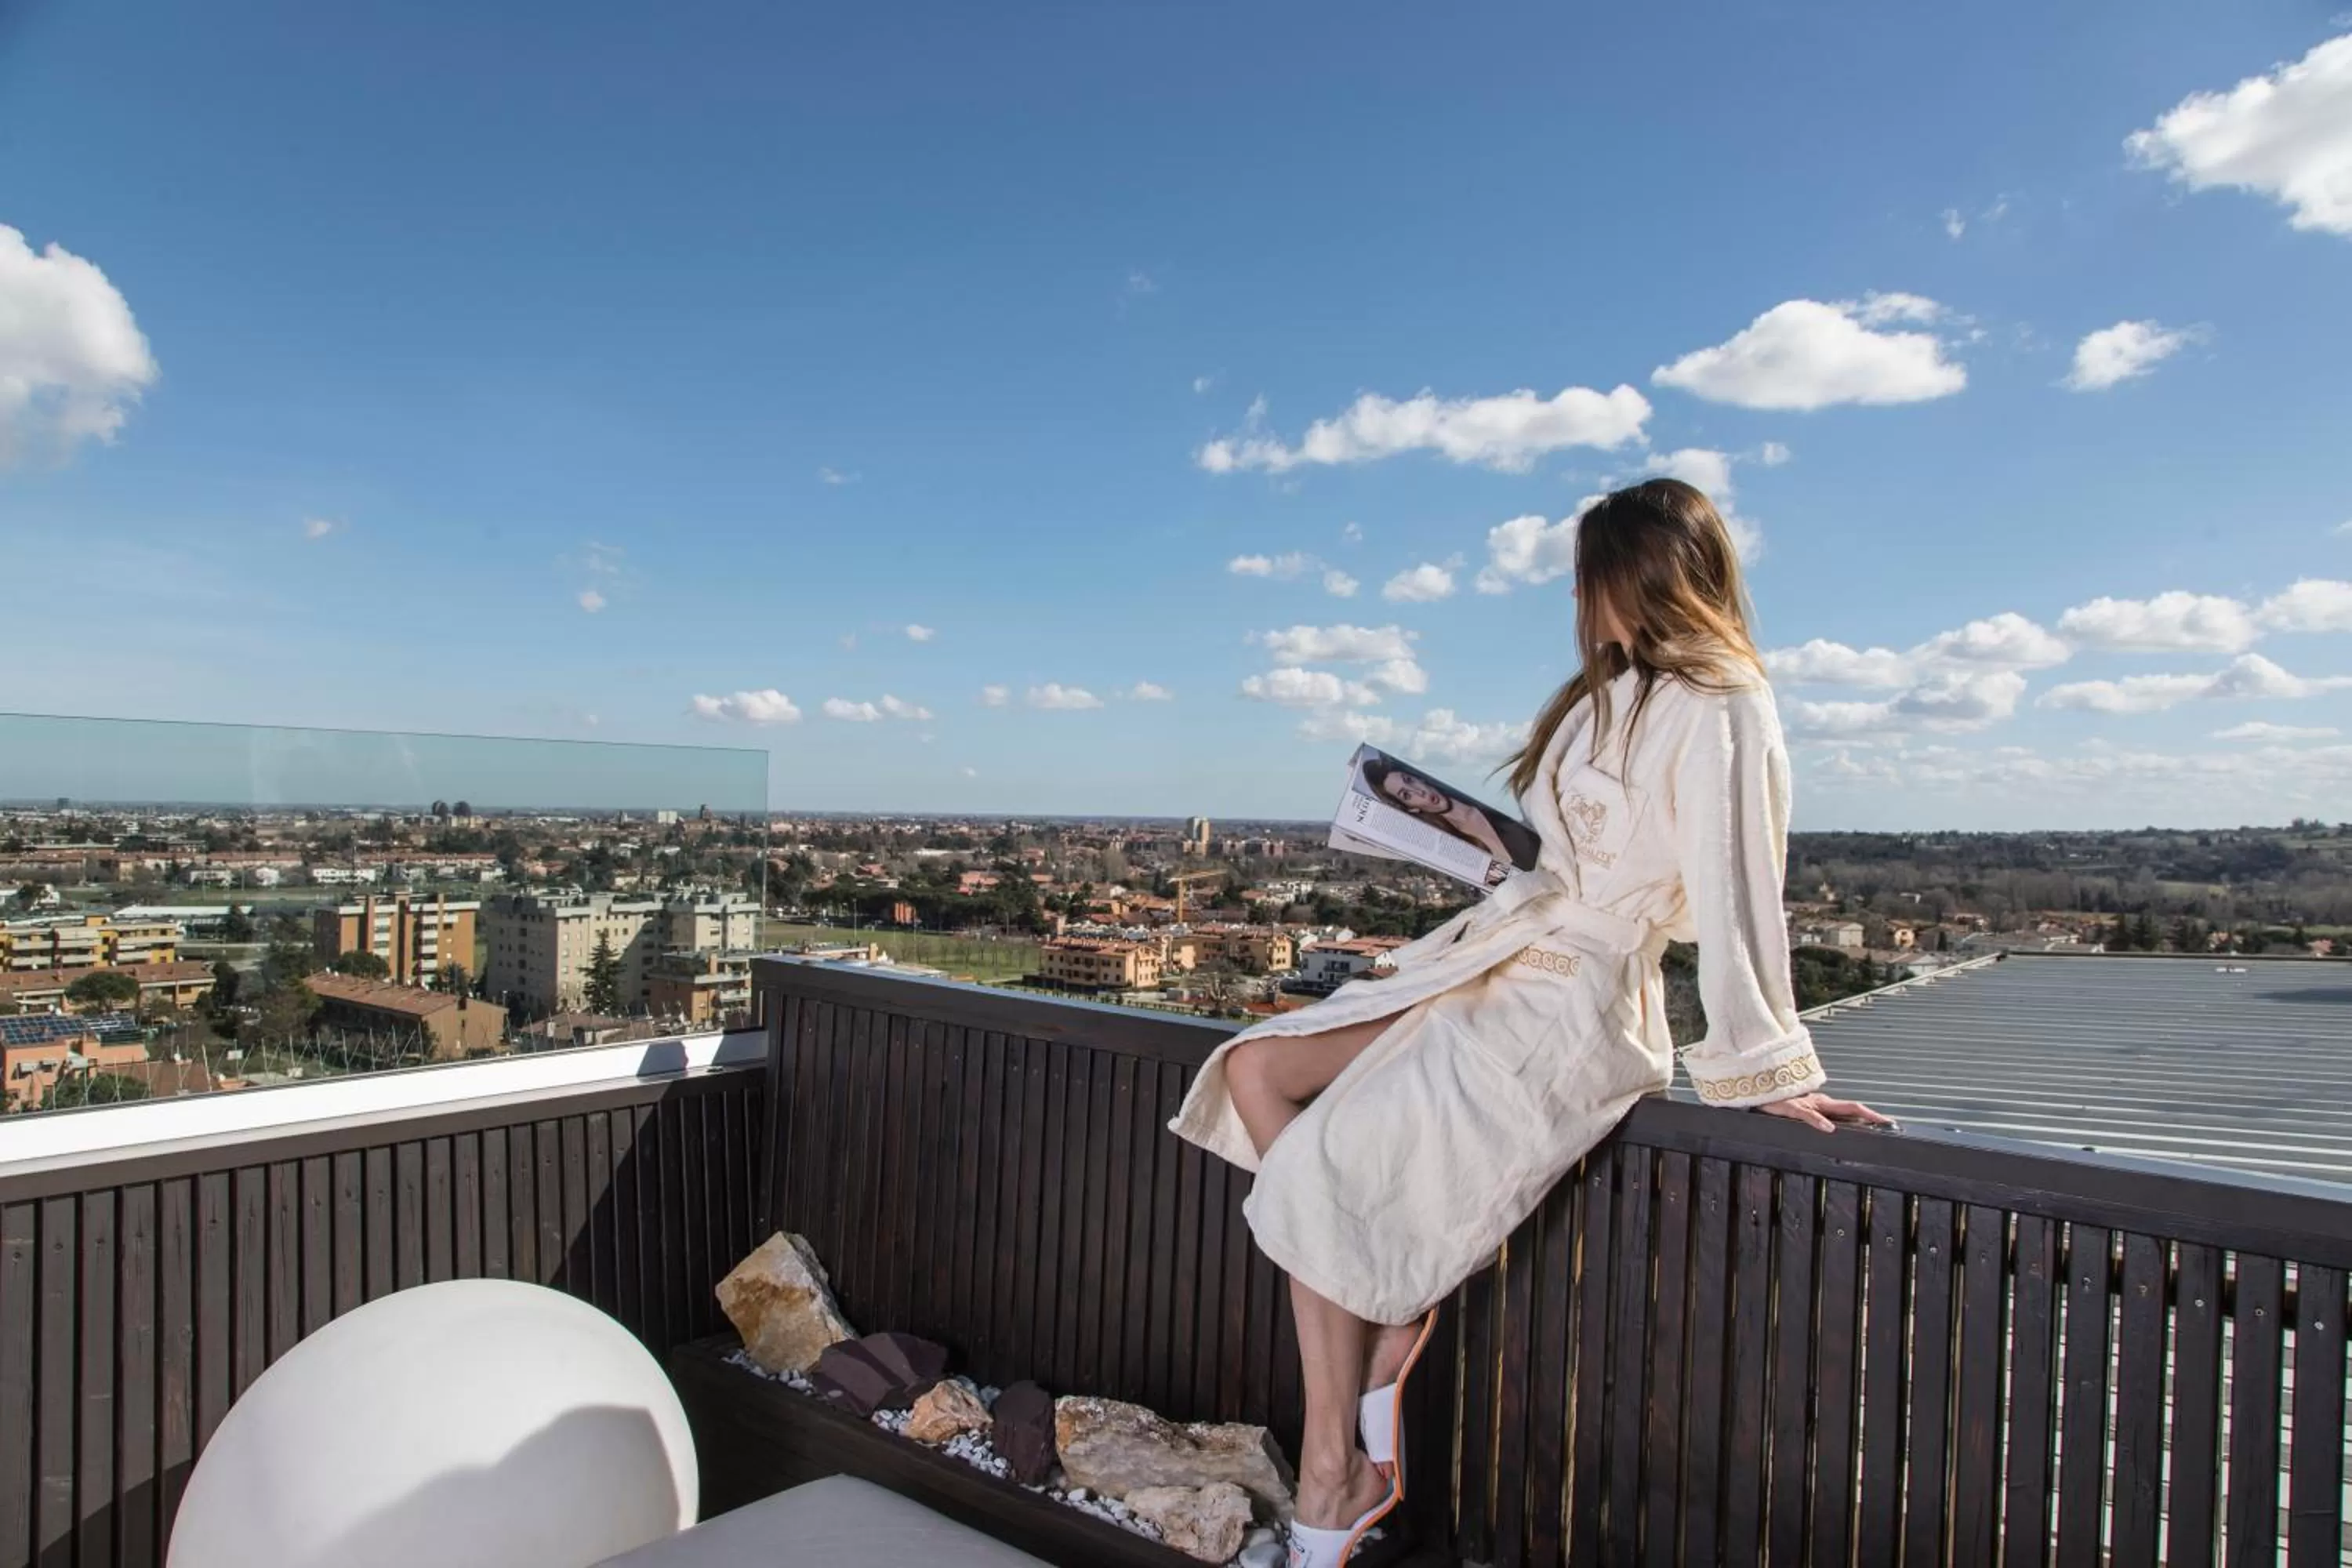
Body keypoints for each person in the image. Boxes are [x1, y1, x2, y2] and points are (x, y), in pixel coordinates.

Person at [1166, 478, 1889, 1568]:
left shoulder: (1725, 703)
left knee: (1316, 1172)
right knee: (1258, 1067)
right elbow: (1558, 857)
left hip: (1575, 1002)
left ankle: (1333, 1463)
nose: (1575, 599)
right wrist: (1461, 835)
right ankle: (1382, 1309)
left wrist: (1768, 1067)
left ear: (1637, 574)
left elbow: (1738, 888)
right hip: (1506, 952)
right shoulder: (1603, 694)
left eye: (1586, 578)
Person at [1357, 753, 1521, 873]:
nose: (1419, 792)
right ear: (1411, 808)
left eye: (1409, 780)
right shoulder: (1456, 847)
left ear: (1420, 778)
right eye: (1406, 795)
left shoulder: (1487, 797)